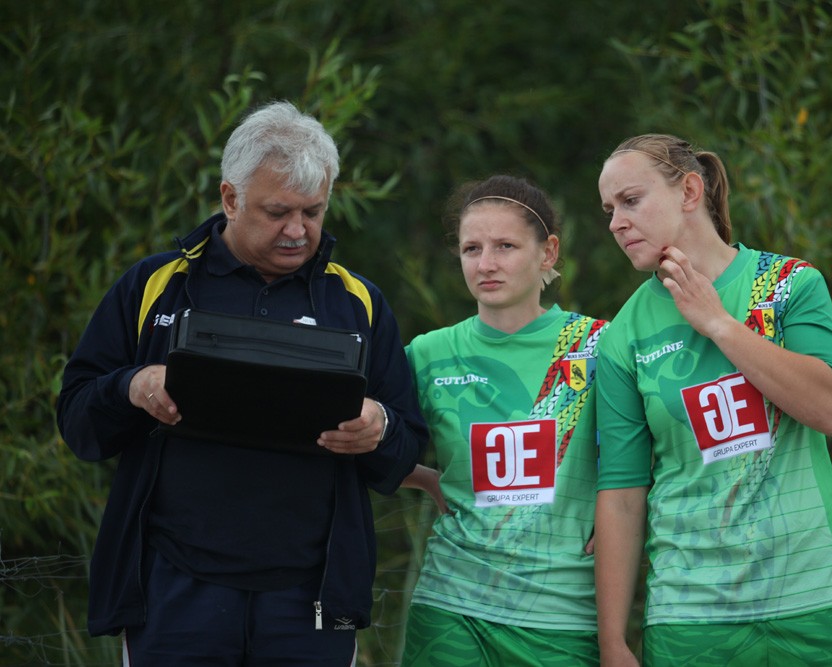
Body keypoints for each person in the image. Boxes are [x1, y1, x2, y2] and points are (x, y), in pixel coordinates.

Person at [56, 100, 428, 666]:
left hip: (313, 598)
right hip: (173, 589)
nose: (298, 230)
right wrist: (131, 386)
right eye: (278, 212)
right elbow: (79, 420)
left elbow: (402, 452)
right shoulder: (157, 285)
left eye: (314, 211)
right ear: (230, 198)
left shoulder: (358, 303)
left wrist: (378, 428)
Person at [593, 134, 832, 666]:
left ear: (690, 191)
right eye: (609, 210)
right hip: (689, 614)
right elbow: (623, 492)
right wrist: (613, 641)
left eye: (630, 201)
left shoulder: (790, 284)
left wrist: (718, 323)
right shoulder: (622, 335)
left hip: (812, 598)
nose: (615, 223)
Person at [400, 175, 609, 666]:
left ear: (548, 252)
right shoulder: (429, 353)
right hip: (451, 603)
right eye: (472, 248)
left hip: (562, 612)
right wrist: (429, 480)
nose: (486, 264)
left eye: (506, 246)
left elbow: (657, 446)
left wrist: (624, 507)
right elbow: (366, 435)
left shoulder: (597, 345)